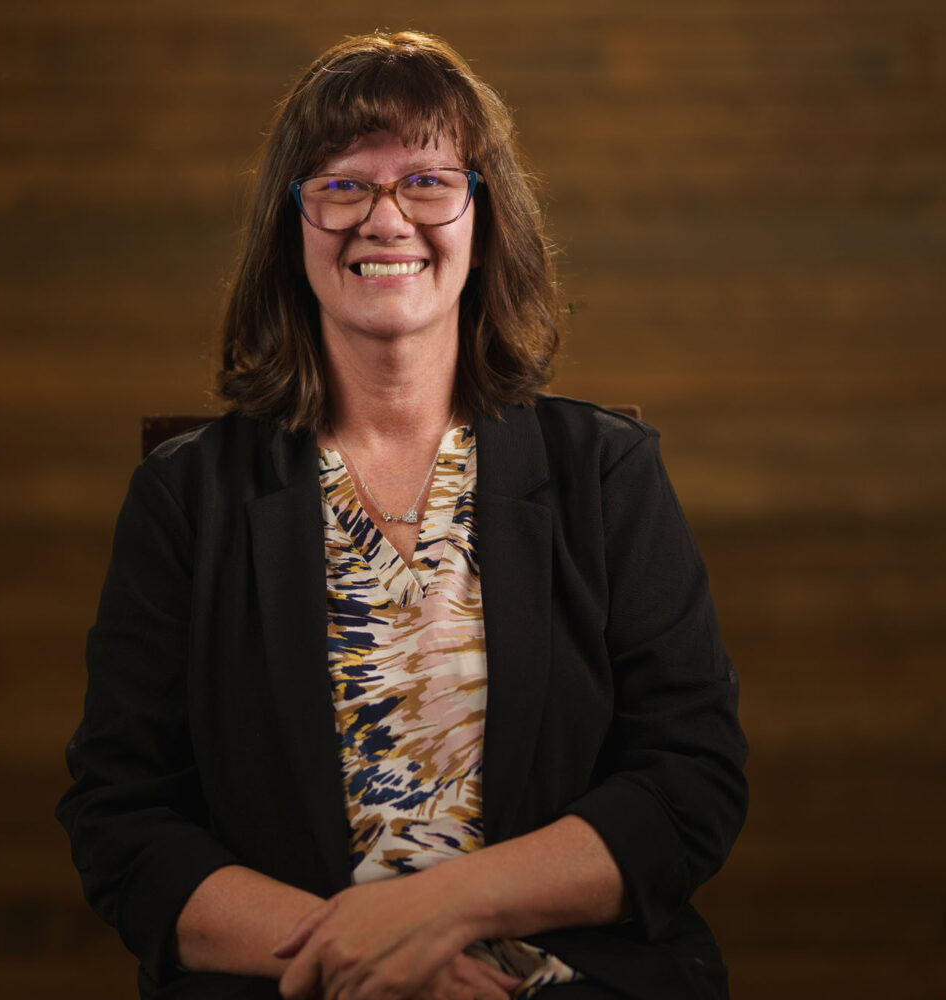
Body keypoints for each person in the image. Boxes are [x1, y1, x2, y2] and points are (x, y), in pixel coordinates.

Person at [57, 30, 747, 1000]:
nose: (385, 219)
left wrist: (438, 910)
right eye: (342, 186)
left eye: (426, 182)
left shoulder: (606, 473)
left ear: (482, 222)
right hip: (297, 983)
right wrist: (365, 960)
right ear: (292, 229)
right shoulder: (187, 498)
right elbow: (123, 822)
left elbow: (690, 784)